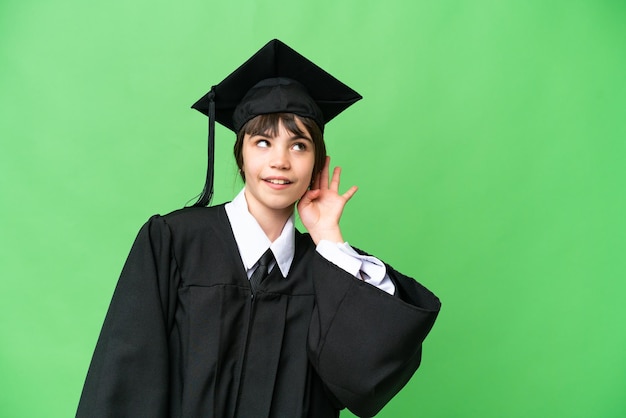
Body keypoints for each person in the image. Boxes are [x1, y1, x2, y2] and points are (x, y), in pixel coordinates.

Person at [77, 39, 441, 418]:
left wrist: (330, 240)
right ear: (241, 153)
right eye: (263, 142)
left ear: (317, 162)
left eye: (299, 145)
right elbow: (124, 379)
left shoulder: (326, 270)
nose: (280, 161)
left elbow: (366, 377)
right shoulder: (174, 242)